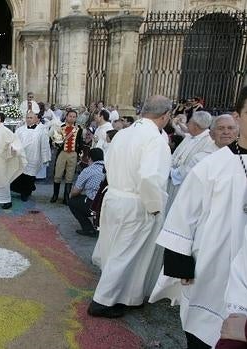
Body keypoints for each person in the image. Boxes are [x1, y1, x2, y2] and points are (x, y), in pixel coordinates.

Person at [149, 87, 247, 348]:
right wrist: (180, 262)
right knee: (204, 331)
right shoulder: (213, 165)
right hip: (213, 266)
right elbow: (183, 214)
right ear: (238, 116)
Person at [88, 95, 172, 318]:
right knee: (125, 253)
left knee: (116, 248)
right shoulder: (155, 140)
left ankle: (129, 296)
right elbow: (149, 177)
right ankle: (102, 301)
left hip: (115, 197)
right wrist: (155, 206)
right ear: (165, 116)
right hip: (137, 202)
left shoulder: (123, 133)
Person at [166, 110, 213, 209]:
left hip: (185, 186)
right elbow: (175, 155)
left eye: (189, 122)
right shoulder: (190, 136)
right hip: (172, 181)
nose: (187, 125)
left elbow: (196, 167)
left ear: (195, 126)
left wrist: (171, 173)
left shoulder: (209, 142)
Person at [10, 111, 51, 201]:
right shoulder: (20, 130)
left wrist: (45, 158)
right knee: (20, 174)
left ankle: (26, 192)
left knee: (30, 176)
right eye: (27, 118)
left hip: (34, 156)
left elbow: (44, 145)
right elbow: (14, 141)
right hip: (21, 156)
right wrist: (13, 150)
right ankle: (22, 191)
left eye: (31, 118)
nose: (28, 119)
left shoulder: (41, 131)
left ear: (36, 119)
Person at [67, 148, 105, 237]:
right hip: (109, 202)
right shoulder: (110, 168)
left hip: (94, 205)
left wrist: (70, 195)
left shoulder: (88, 170)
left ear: (89, 158)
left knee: (72, 201)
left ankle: (88, 229)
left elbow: (76, 191)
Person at [50, 109, 83, 204]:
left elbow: (80, 142)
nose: (72, 118)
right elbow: (56, 141)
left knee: (70, 175)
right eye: (70, 116)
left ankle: (66, 197)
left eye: (74, 116)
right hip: (62, 153)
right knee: (58, 174)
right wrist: (56, 143)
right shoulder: (60, 127)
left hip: (73, 154)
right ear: (66, 116)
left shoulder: (79, 129)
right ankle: (55, 195)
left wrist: (80, 153)